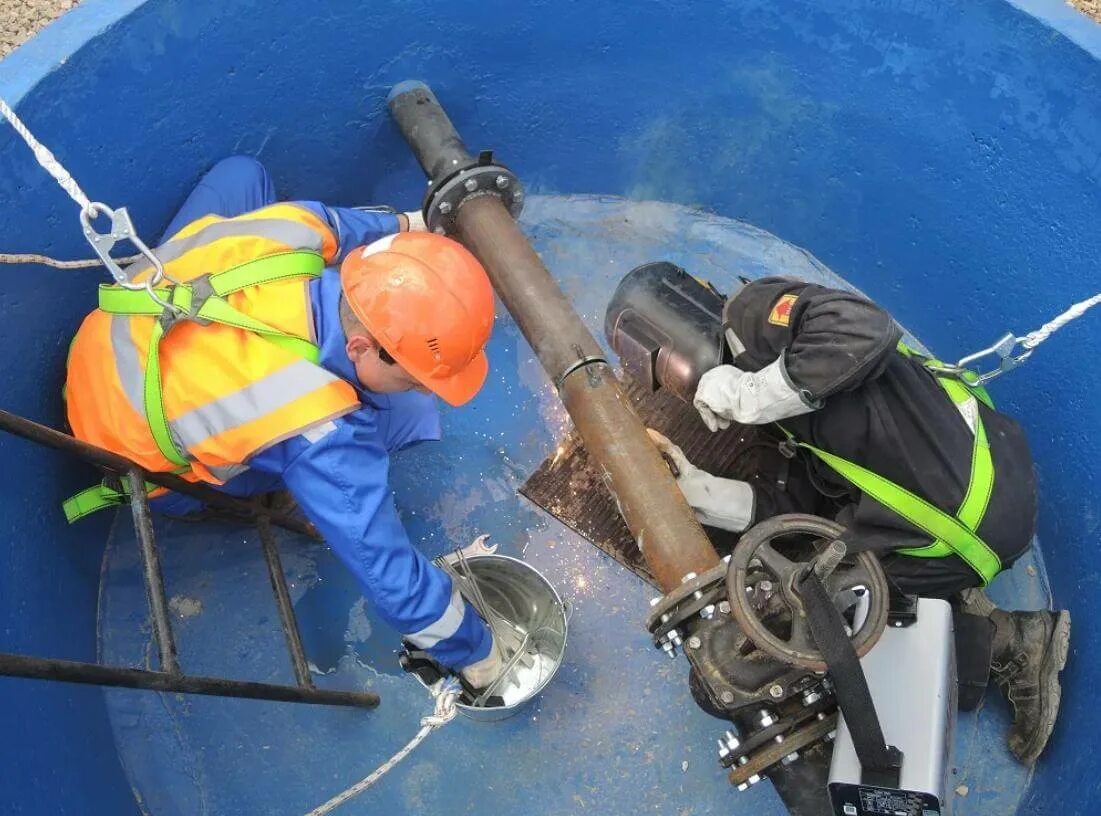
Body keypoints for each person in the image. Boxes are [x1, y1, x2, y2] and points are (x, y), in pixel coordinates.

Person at [64, 156, 505, 688]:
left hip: (120, 327)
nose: (422, 385)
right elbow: (391, 577)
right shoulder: (322, 429)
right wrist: (479, 655)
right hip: (125, 448)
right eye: (414, 375)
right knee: (407, 419)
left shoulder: (296, 228)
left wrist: (413, 227)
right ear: (363, 346)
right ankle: (224, 499)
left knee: (244, 177)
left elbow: (351, 227)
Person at [612, 263, 1070, 764]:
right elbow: (787, 509)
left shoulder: (755, 315)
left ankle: (1009, 644)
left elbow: (864, 326)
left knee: (816, 635)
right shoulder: (776, 420)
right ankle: (951, 594)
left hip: (975, 504)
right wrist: (700, 491)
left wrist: (750, 395)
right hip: (981, 504)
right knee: (802, 547)